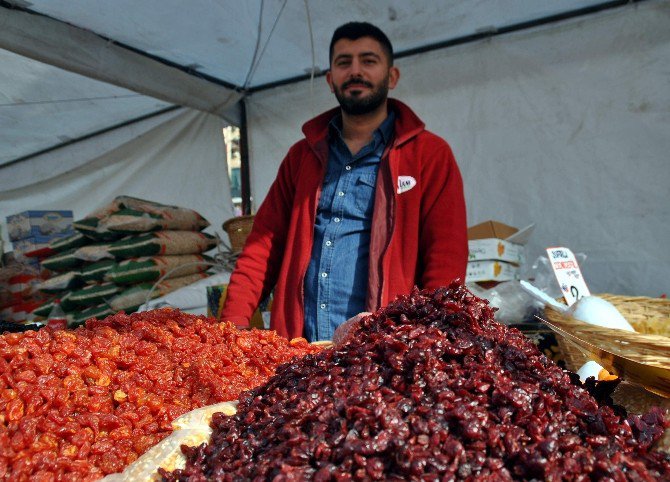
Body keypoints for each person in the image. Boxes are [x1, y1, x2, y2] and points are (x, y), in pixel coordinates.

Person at [221, 21, 467, 341]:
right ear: (329, 79)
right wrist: (231, 328)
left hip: (385, 355)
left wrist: (431, 342)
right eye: (343, 62)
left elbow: (446, 260)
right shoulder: (302, 156)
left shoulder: (429, 155)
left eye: (368, 60)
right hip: (298, 350)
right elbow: (262, 248)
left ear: (391, 77)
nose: (355, 71)